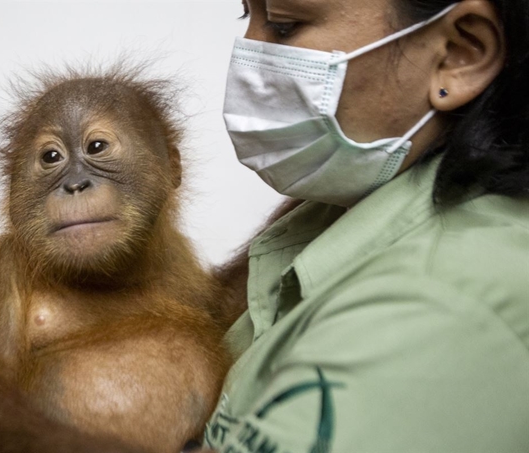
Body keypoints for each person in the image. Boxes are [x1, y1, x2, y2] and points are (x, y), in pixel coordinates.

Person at [204, 0, 529, 452]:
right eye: (247, 14)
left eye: (283, 25)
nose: (249, 55)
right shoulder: (341, 211)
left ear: (459, 53)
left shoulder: (439, 307)